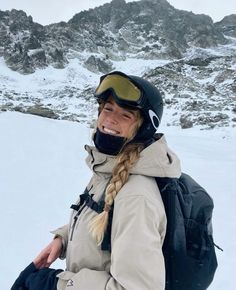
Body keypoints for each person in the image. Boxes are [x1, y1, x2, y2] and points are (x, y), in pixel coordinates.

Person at [11, 71, 181, 290]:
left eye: (125, 115)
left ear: (143, 127)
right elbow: (107, 224)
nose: (110, 119)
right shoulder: (110, 170)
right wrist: (62, 239)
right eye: (108, 109)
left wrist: (59, 285)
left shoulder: (136, 197)